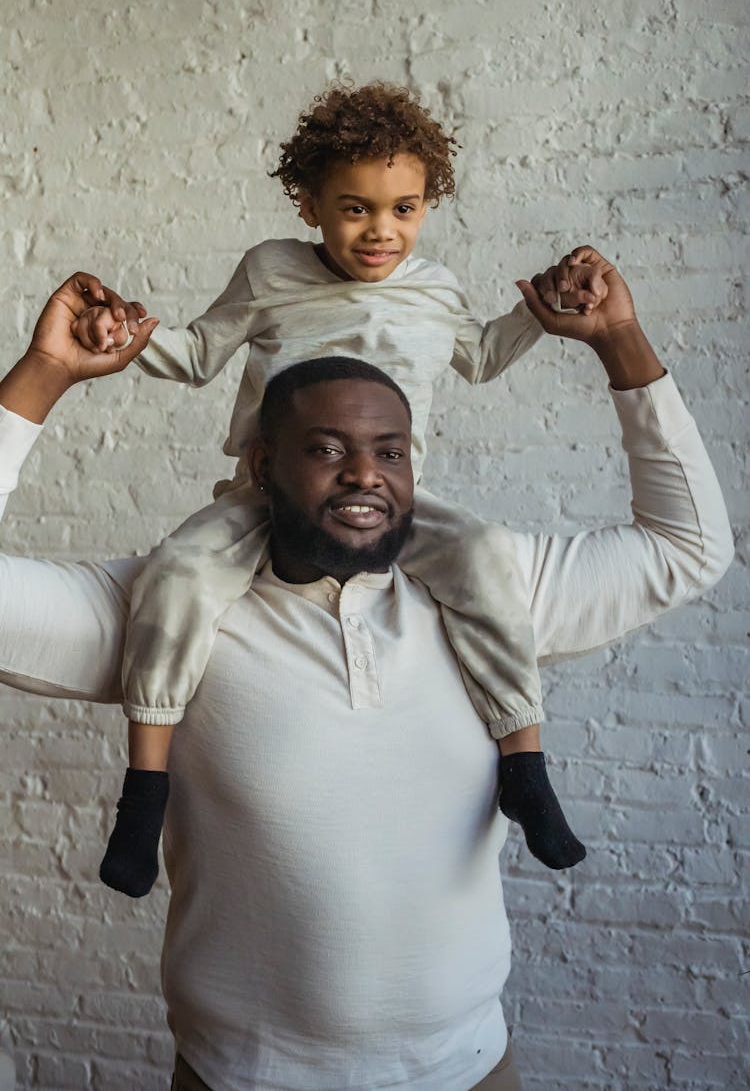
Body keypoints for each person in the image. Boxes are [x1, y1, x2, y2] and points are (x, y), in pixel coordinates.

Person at [0, 255, 733, 1091]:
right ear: (260, 464)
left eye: (390, 450)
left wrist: (620, 342)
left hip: (470, 1069)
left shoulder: (491, 594)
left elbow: (690, 547)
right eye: (326, 449)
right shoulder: (170, 605)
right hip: (242, 1076)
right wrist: (47, 373)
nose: (365, 473)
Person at [72, 81, 608, 898]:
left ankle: (524, 764)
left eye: (405, 207)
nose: (381, 231)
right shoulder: (272, 270)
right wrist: (126, 336)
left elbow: (484, 356)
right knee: (177, 573)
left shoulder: (434, 289)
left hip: (394, 504)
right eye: (355, 208)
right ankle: (145, 792)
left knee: (488, 555)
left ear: (429, 203)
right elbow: (195, 356)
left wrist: (543, 309)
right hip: (272, 497)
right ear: (309, 200)